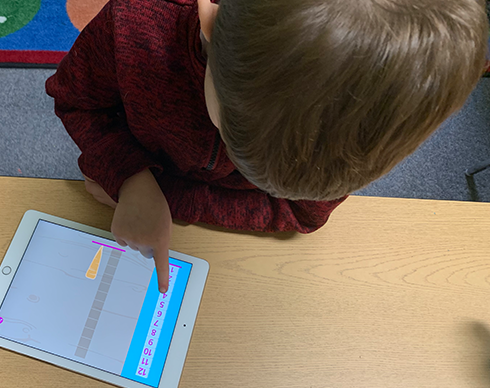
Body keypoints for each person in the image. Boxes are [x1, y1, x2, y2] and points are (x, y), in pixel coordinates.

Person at [46, 0, 489, 292]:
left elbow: (300, 212)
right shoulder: (135, 22)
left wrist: (156, 196)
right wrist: (127, 172)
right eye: (227, 130)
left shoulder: (354, 128)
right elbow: (75, 100)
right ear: (209, 22)